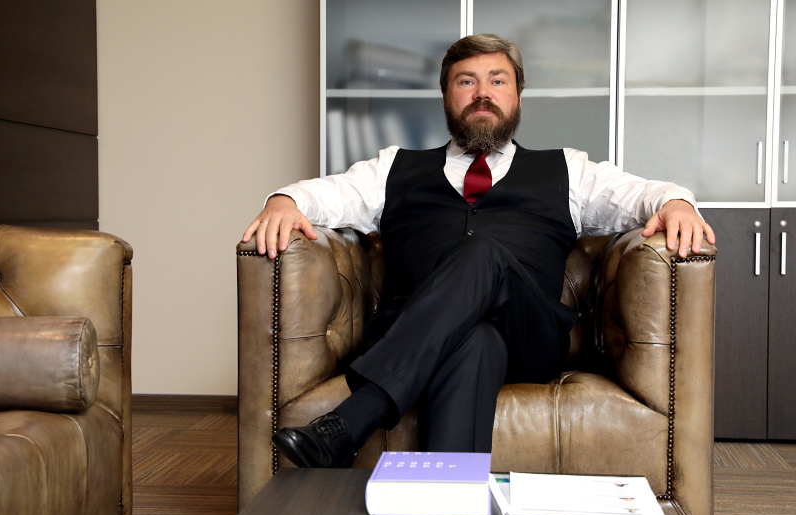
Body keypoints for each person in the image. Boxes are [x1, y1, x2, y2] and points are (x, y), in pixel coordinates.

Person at [241, 34, 715, 469]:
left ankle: (356, 415)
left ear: (517, 96)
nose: (482, 93)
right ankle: (451, 508)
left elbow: (640, 194)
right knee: (473, 341)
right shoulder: (393, 168)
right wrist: (284, 202)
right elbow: (328, 193)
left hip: (530, 338)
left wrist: (676, 204)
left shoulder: (568, 170)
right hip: (419, 337)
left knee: (482, 251)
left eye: (497, 81)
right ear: (447, 96)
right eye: (466, 81)